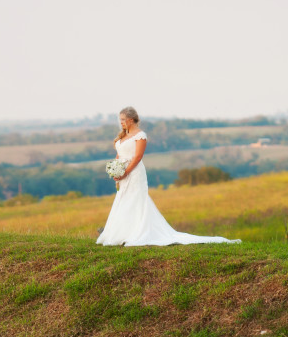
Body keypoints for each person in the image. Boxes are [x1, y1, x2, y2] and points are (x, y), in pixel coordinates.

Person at [97, 106, 242, 247]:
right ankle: (122, 233)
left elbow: (138, 157)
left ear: (131, 119)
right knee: (123, 200)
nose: (120, 122)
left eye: (123, 119)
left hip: (134, 173)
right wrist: (116, 170)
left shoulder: (140, 136)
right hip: (122, 173)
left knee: (136, 200)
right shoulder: (122, 136)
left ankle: (137, 233)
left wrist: (126, 172)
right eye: (120, 119)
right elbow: (119, 154)